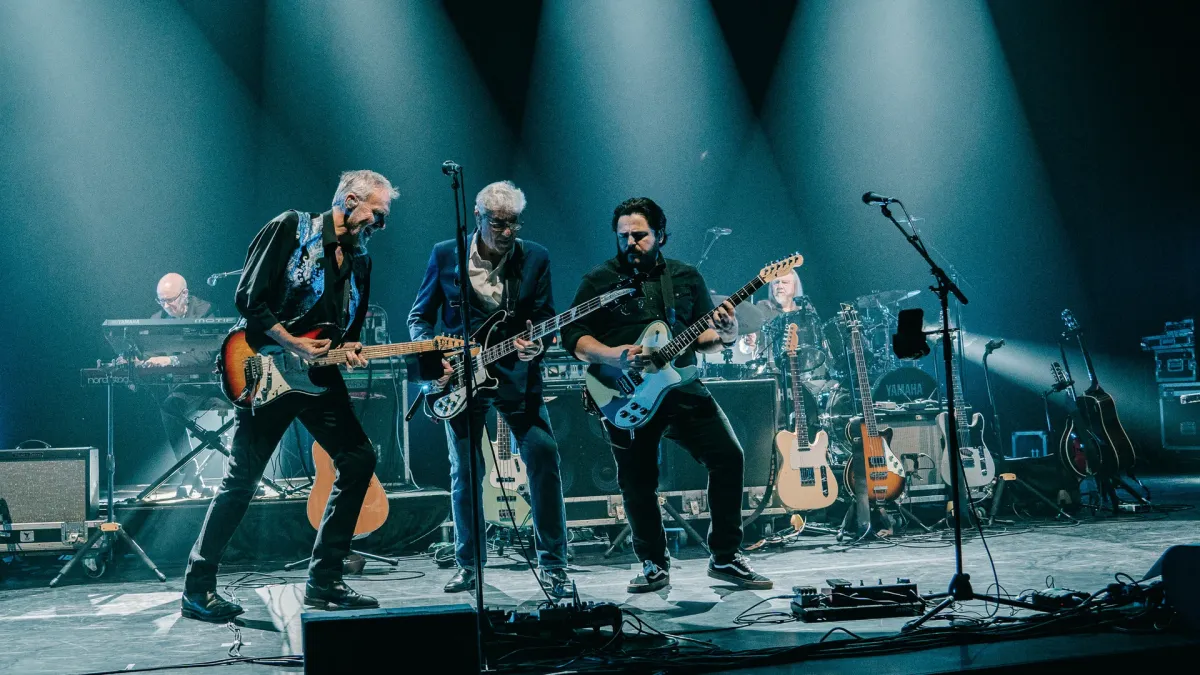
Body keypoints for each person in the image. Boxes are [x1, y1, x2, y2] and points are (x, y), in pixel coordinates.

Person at [180, 170, 397, 621]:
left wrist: (350, 350)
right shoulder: (292, 227)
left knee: (359, 460)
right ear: (350, 201)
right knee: (242, 480)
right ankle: (197, 588)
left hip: (317, 376)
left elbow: (348, 328)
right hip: (265, 369)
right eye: (376, 213)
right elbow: (248, 298)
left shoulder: (361, 261)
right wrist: (293, 343)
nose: (380, 224)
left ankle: (325, 580)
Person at [560, 197, 773, 593]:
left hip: (683, 387)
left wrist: (727, 335)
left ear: (660, 235)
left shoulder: (685, 276)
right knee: (636, 480)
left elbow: (704, 337)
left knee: (729, 457)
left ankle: (725, 556)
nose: (630, 242)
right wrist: (613, 355)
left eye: (639, 235)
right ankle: (653, 563)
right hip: (623, 393)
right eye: (622, 236)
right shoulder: (599, 280)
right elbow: (572, 336)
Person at [408, 181, 572, 598]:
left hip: (516, 375)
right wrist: (434, 363)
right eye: (498, 223)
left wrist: (538, 344)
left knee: (543, 456)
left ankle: (554, 564)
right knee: (466, 471)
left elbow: (545, 316)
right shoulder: (446, 254)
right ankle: (469, 565)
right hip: (461, 378)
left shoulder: (535, 256)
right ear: (478, 217)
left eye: (514, 223)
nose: (507, 231)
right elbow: (419, 317)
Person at [142, 273, 220, 497]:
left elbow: (206, 354)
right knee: (169, 408)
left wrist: (170, 360)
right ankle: (191, 473)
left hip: (212, 384)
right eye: (161, 301)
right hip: (183, 388)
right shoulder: (157, 319)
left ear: (185, 294)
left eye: (170, 300)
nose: (166, 306)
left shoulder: (205, 311)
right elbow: (150, 353)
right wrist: (139, 360)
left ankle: (244, 475)